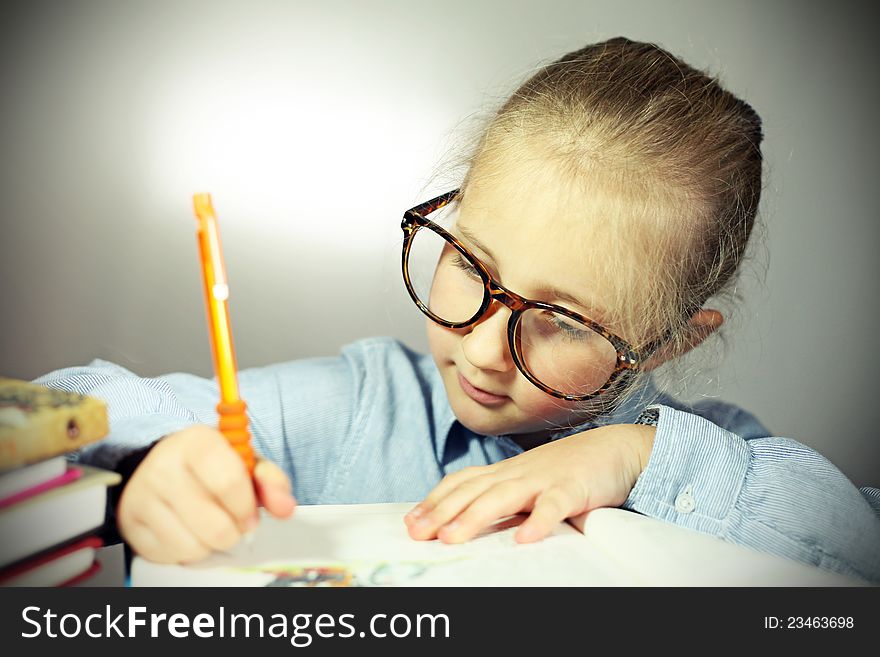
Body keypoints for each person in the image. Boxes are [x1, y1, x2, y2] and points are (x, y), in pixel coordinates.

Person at [35, 37, 879, 582]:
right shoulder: (364, 405)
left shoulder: (720, 463)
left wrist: (633, 457)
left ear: (663, 345)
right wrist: (149, 463)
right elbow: (51, 407)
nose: (481, 350)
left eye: (564, 319)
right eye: (471, 264)